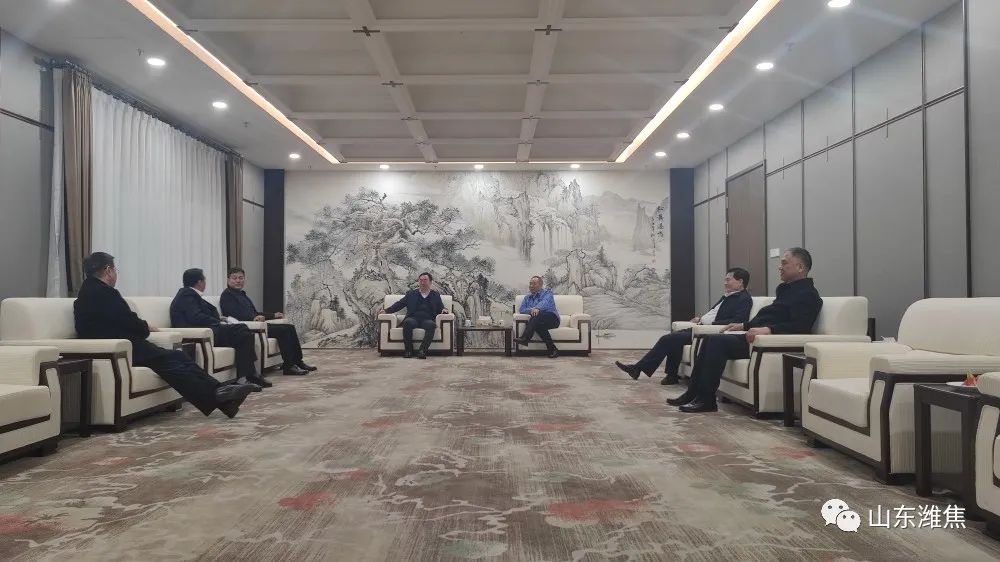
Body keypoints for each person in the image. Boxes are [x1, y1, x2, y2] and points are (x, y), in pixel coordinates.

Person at [73, 252, 260, 419]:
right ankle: (220, 394)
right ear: (108, 270)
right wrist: (145, 327)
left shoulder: (89, 291)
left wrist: (141, 327)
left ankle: (223, 396)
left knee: (177, 357)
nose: (116, 274)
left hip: (122, 344)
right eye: (115, 269)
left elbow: (120, 319)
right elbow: (128, 320)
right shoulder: (103, 293)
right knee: (171, 361)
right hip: (118, 347)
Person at [671, 248, 823, 413]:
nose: (780, 267)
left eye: (784, 263)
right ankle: (693, 394)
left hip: (766, 342)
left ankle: (706, 400)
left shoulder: (809, 295)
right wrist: (743, 326)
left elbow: (800, 326)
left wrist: (769, 330)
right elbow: (768, 317)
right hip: (755, 337)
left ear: (800, 267)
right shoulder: (786, 290)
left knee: (716, 342)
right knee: (709, 338)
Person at [615, 268, 753, 385]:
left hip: (709, 332)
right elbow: (715, 313)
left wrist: (710, 324)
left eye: (728, 280)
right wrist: (700, 319)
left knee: (668, 339)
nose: (725, 282)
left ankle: (638, 369)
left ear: (740, 282)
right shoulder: (728, 296)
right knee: (673, 339)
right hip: (700, 327)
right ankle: (671, 376)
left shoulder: (744, 299)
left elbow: (738, 321)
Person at [169, 268, 271, 388]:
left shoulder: (191, 295)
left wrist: (220, 319)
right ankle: (247, 376)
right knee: (242, 329)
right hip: (200, 335)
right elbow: (196, 317)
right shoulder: (187, 295)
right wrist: (218, 321)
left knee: (244, 333)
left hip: (209, 331)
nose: (205, 283)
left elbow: (199, 314)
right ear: (199, 282)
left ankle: (248, 375)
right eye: (204, 280)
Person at [219, 267, 315, 376]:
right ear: (228, 280)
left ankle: (298, 361)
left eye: (241, 278)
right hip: (248, 328)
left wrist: (273, 315)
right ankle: (289, 366)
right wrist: (253, 318)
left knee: (289, 327)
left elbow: (255, 313)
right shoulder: (227, 296)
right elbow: (232, 314)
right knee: (283, 331)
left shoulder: (242, 295)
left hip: (257, 324)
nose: (238, 281)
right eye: (234, 278)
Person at [378, 272, 445, 359]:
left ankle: (422, 351)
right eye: (420, 280)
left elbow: (440, 307)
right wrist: (386, 311)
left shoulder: (435, 295)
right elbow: (400, 304)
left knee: (431, 325)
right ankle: (409, 350)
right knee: (407, 322)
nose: (422, 282)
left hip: (427, 319)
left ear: (430, 282)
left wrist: (444, 310)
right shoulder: (411, 294)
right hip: (413, 318)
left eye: (425, 280)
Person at [513, 276, 560, 359]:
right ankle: (553, 349)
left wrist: (537, 308)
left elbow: (545, 302)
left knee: (537, 315)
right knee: (538, 325)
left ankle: (525, 338)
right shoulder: (527, 298)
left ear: (541, 285)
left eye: (534, 284)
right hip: (537, 320)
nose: (531, 286)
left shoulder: (547, 294)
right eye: (530, 284)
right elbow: (522, 309)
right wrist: (532, 310)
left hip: (552, 319)